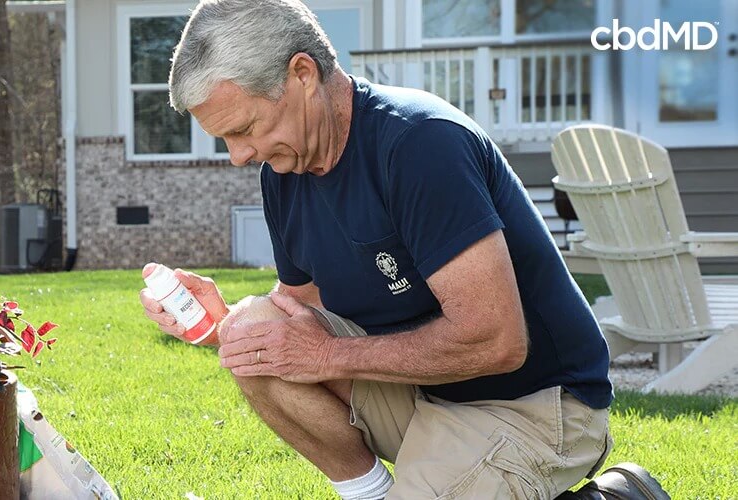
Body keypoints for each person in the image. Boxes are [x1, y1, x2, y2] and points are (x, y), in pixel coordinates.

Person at [140, 0, 614, 498]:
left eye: (243, 130)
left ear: (302, 74)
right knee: (253, 328)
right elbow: (298, 313)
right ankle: (371, 493)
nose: (239, 156)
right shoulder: (284, 173)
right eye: (224, 140)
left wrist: (327, 355)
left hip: (534, 406)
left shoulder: (420, 144)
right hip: (423, 393)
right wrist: (222, 323)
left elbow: (496, 341)